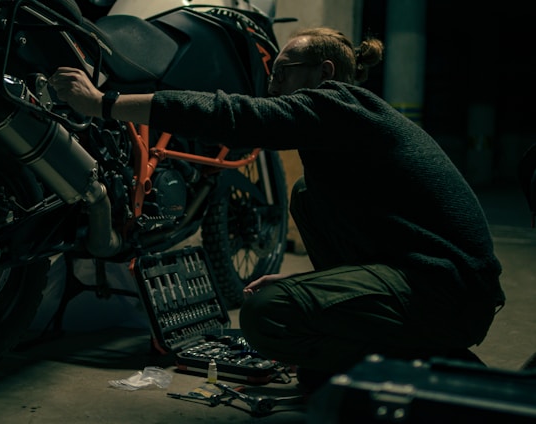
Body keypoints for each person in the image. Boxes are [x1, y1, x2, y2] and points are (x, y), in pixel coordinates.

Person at [49, 27, 505, 391]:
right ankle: (384, 355)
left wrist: (102, 104)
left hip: (448, 293)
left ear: (323, 72)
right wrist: (315, 283)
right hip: (436, 284)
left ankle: (421, 370)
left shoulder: (341, 104)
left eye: (284, 71)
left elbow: (230, 114)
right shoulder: (346, 129)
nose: (273, 84)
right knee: (306, 195)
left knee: (268, 315)